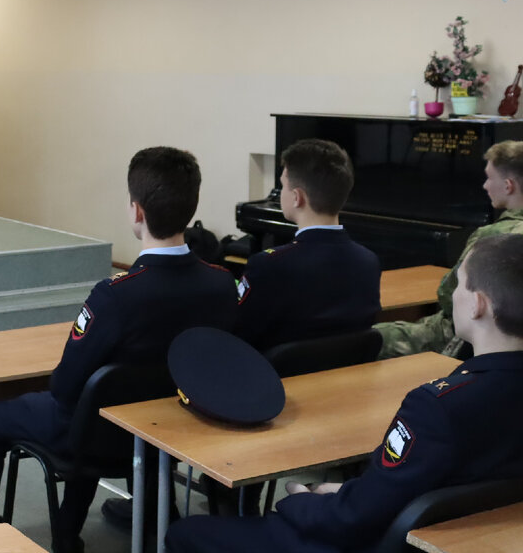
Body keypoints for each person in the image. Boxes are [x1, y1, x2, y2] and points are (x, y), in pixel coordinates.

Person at [0, 147, 238, 550]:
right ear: (191, 208)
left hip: (96, 435)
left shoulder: (115, 295)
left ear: (136, 211)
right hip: (173, 430)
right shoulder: (222, 284)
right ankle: (98, 521)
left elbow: (66, 386)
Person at [165, 232, 523, 553]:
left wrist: (300, 501)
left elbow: (351, 519)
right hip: (460, 537)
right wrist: (346, 494)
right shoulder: (462, 399)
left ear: (477, 304)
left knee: (186, 533)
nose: (454, 294)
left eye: (460, 284)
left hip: (360, 540)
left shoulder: (435, 408)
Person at [377, 140, 523, 359]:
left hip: (464, 338)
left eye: (489, 178)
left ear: (508, 185)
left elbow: (448, 297)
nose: (485, 186)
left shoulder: (493, 237)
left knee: (377, 337)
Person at [233, 139, 381, 351]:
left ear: (297, 197)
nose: (281, 193)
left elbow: (240, 333)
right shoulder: (368, 261)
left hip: (277, 372)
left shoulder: (268, 265)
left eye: (283, 186)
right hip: (347, 369)